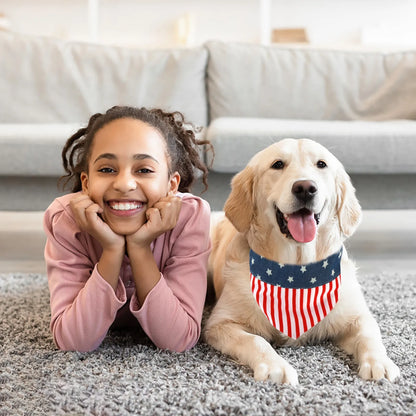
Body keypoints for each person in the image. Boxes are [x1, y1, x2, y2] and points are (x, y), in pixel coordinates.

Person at [43, 106, 212, 353]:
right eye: (107, 169)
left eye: (144, 170)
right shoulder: (65, 220)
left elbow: (179, 340)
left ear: (171, 185)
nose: (124, 184)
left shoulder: (190, 217)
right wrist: (111, 250)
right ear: (86, 183)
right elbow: (73, 342)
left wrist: (140, 248)